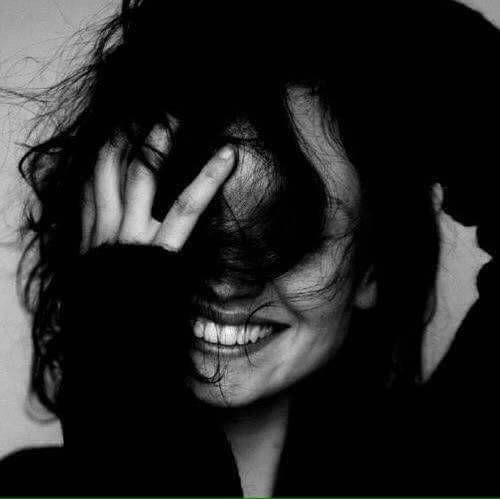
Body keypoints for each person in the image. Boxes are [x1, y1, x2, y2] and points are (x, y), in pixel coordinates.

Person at [1, 0, 499, 495]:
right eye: (186, 225)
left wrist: (384, 38)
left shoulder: (454, 469)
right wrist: (124, 379)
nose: (226, 287)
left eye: (288, 235)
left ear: (371, 268)